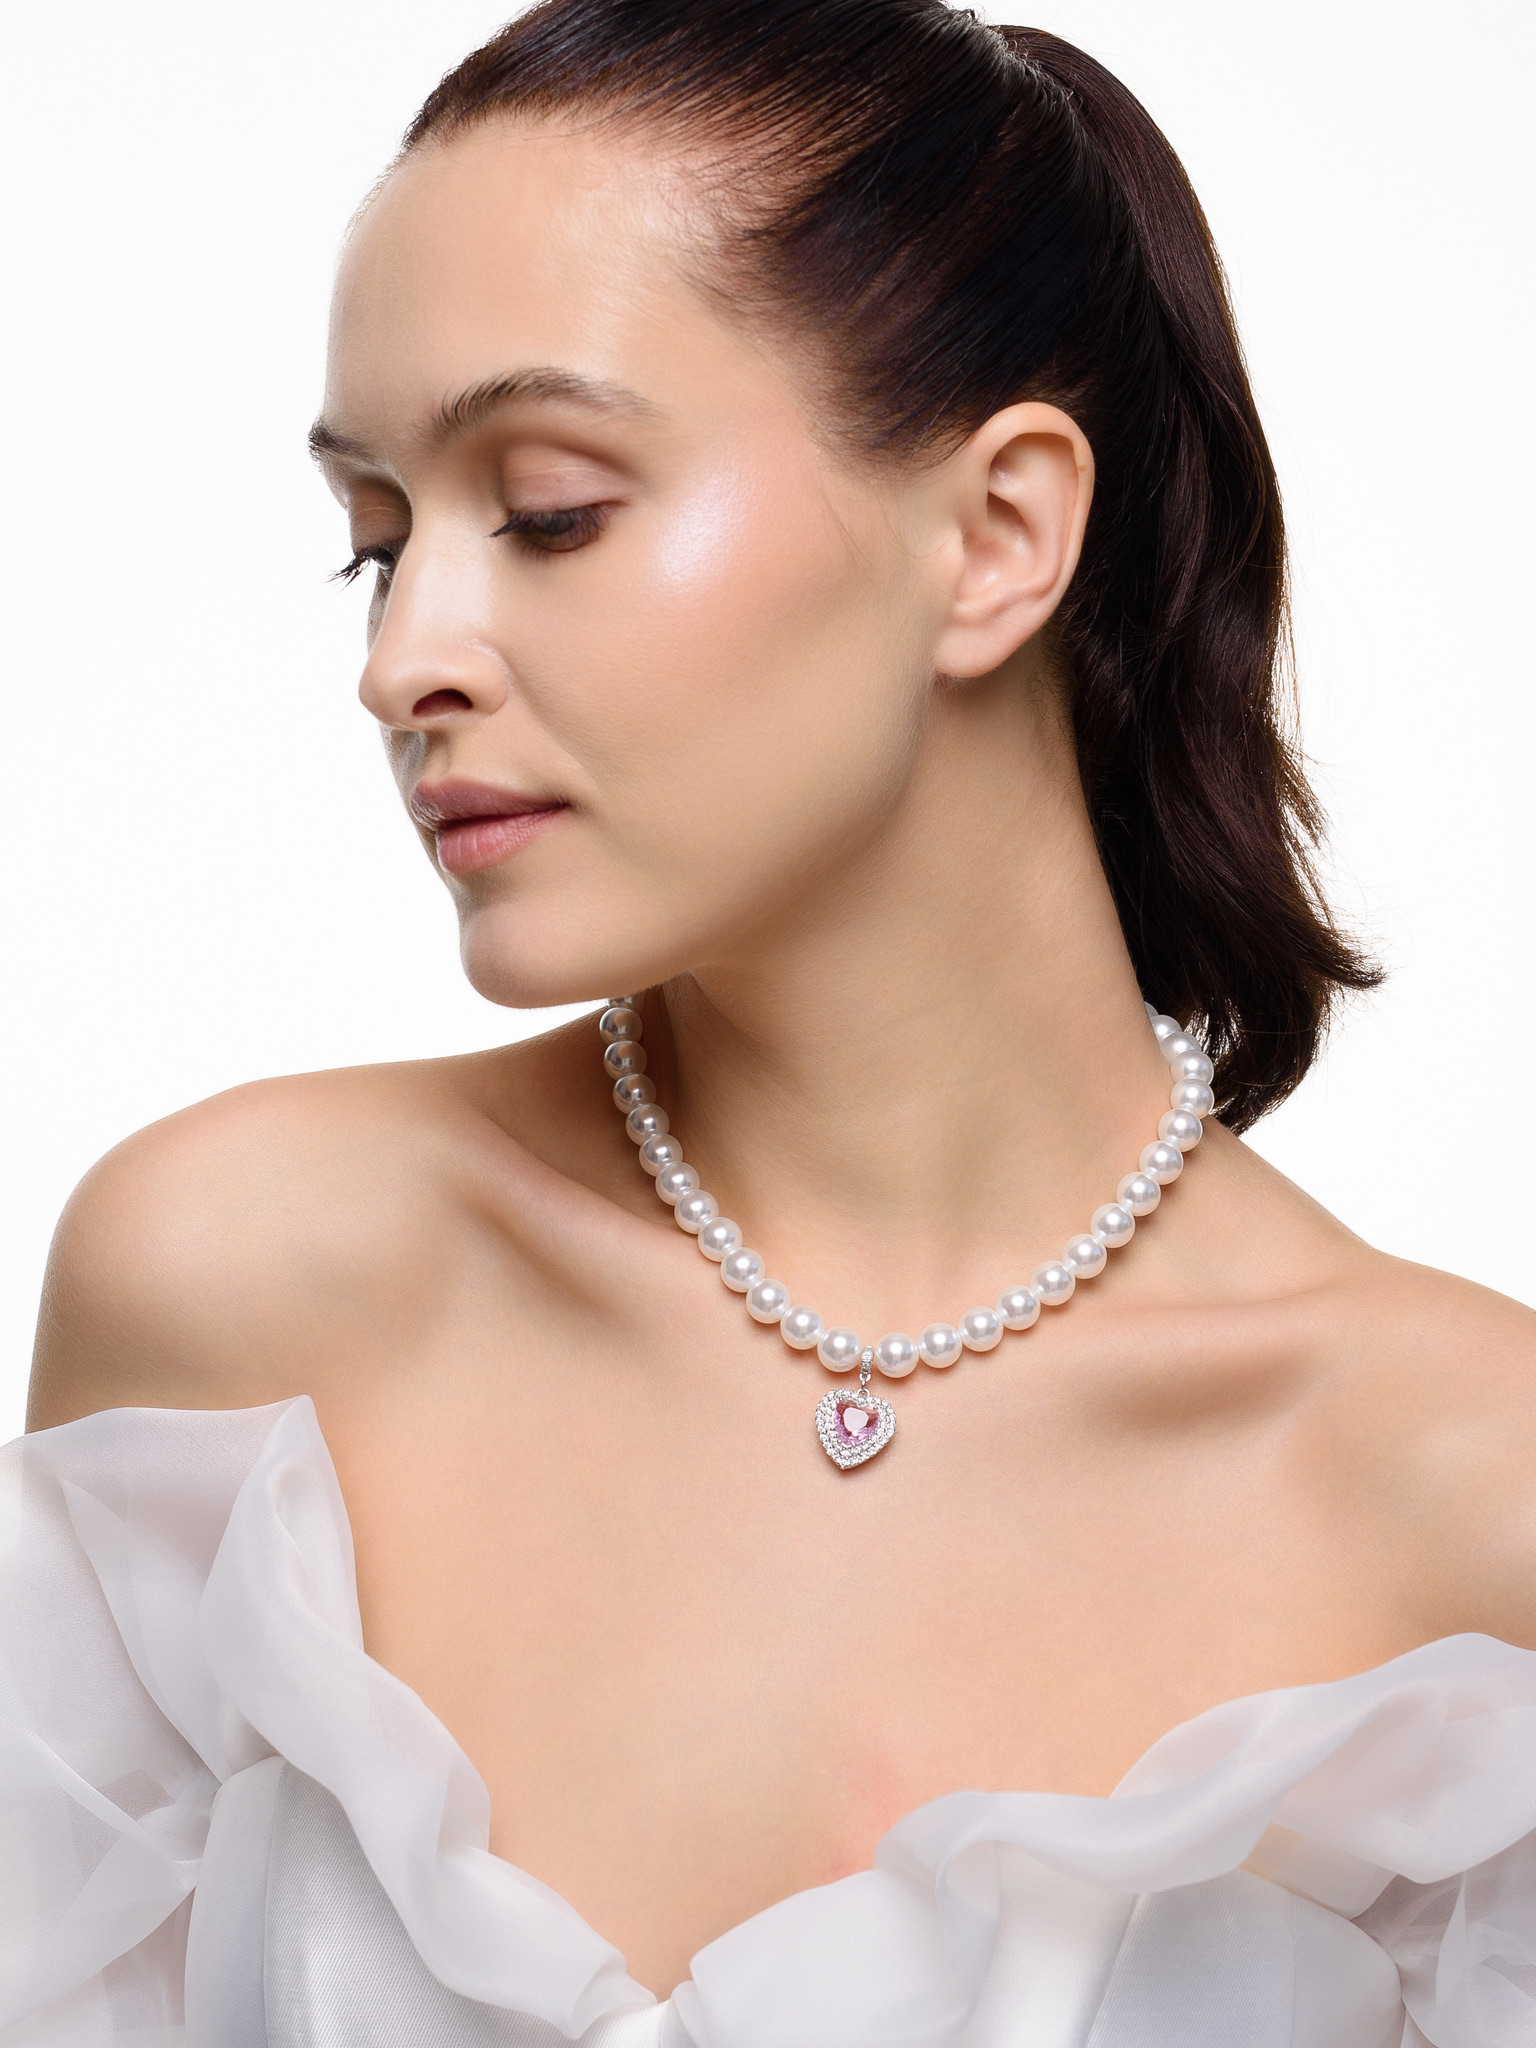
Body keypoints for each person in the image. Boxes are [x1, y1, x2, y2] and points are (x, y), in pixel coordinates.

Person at [7, 1, 1535, 2041]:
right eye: (376, 542)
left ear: (996, 538)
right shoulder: (238, 1298)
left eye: (550, 508)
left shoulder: (1470, 1504)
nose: (403, 658)